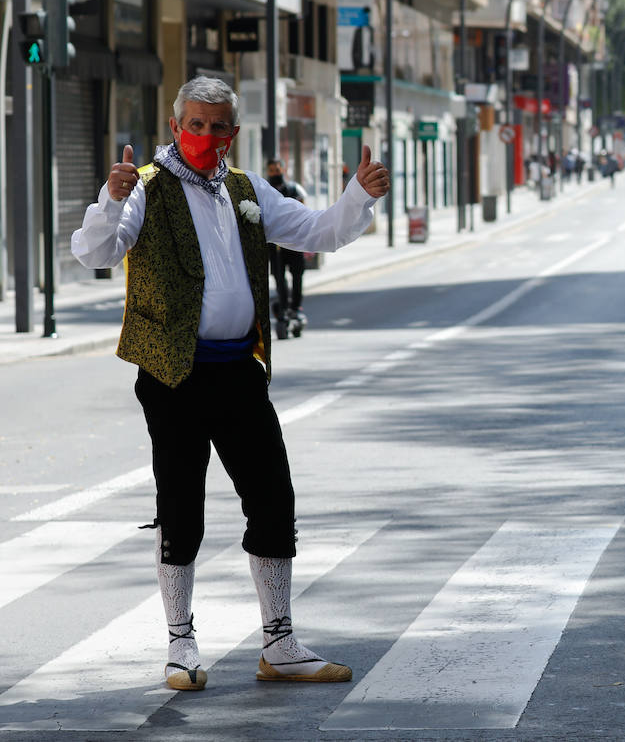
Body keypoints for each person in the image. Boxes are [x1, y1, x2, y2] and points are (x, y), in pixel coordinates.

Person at [70, 77, 391, 692]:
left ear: (234, 134)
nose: (207, 136)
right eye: (196, 124)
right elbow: (98, 252)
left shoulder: (243, 188)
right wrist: (110, 199)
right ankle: (181, 644)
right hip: (174, 373)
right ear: (175, 127)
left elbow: (315, 232)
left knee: (273, 498)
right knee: (181, 505)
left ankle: (279, 642)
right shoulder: (146, 188)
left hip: (242, 371)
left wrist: (356, 196)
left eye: (219, 127)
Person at [265, 160, 308, 338]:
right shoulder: (265, 191)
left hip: (294, 242)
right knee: (279, 278)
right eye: (271, 170)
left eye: (277, 169)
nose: (275, 173)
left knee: (297, 275)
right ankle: (282, 307)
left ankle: (295, 307)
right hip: (275, 246)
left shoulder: (294, 189)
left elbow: (303, 211)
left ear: (283, 169)